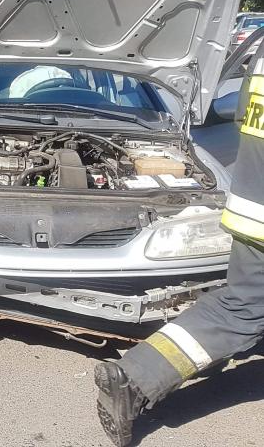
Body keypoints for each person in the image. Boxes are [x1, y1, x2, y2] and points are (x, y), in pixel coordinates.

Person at [94, 49, 264, 446]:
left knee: (241, 304)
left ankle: (133, 376)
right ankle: (133, 379)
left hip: (252, 208)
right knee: (244, 309)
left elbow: (242, 116)